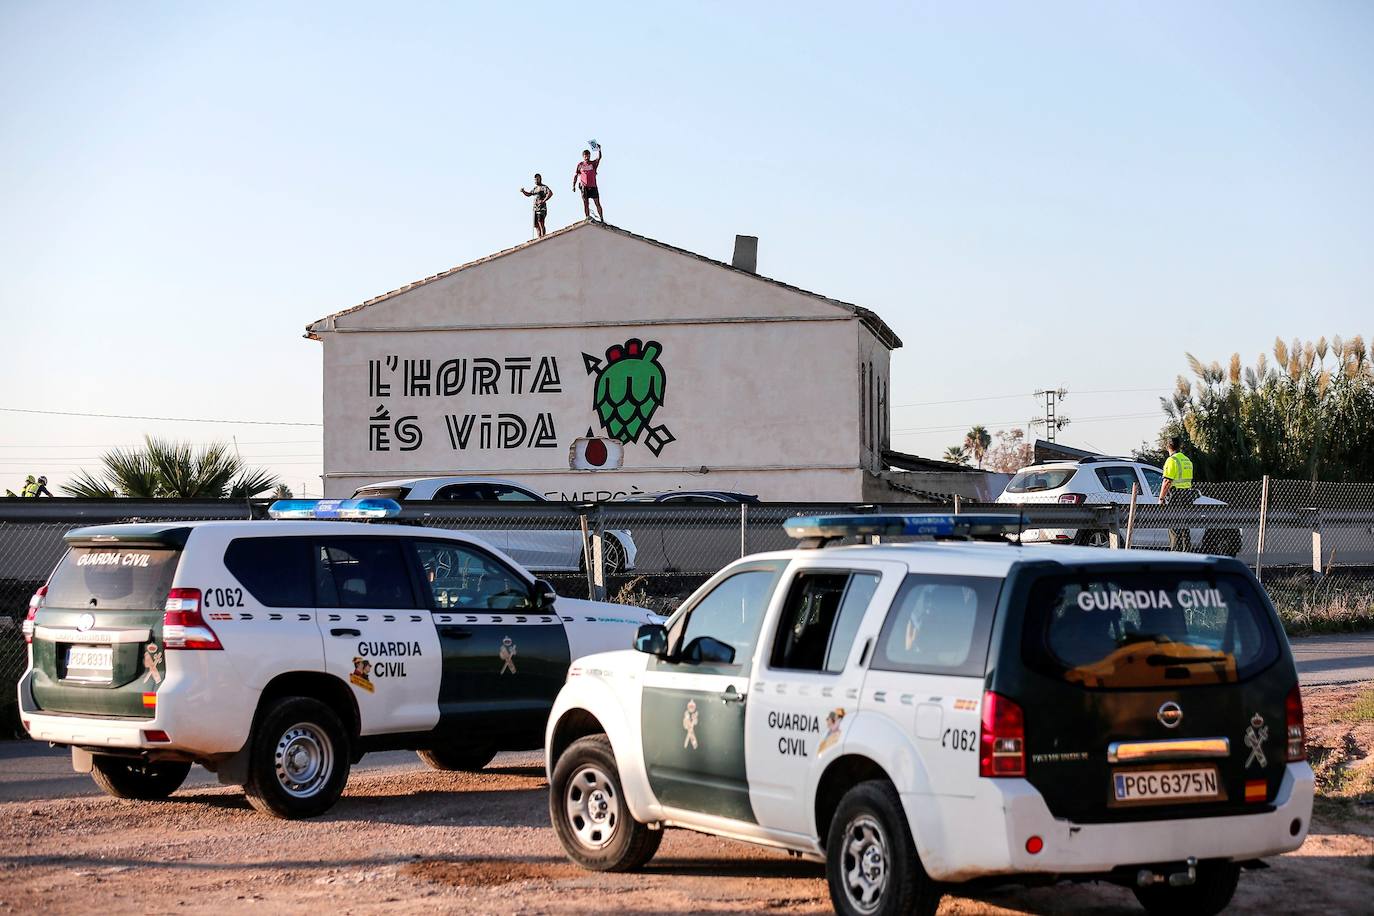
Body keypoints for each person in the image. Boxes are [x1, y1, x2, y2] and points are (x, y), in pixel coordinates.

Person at [1159, 436, 1195, 551]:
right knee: (1185, 527)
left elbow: (1167, 481)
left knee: (1174, 527)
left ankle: (1175, 554)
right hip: (1187, 495)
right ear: (1179, 446)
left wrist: (1161, 498)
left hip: (1176, 496)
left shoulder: (1172, 460)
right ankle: (1187, 554)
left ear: (1168, 446)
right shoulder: (1187, 460)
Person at [572, 145, 603, 221]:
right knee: (586, 203)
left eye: (588, 155)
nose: (587, 157)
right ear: (583, 156)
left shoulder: (593, 163)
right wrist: (573, 185)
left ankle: (601, 218)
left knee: (597, 203)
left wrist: (599, 150)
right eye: (585, 155)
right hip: (584, 186)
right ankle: (587, 217)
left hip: (593, 186)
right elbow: (576, 175)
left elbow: (599, 158)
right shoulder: (580, 165)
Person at [520, 174, 553, 238]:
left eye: (537, 179)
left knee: (540, 222)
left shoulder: (543, 187)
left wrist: (543, 200)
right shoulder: (535, 188)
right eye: (535, 179)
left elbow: (550, 193)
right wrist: (523, 191)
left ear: (540, 179)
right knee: (536, 225)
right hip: (535, 208)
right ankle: (539, 237)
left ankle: (543, 237)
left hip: (541, 208)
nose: (536, 180)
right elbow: (529, 194)